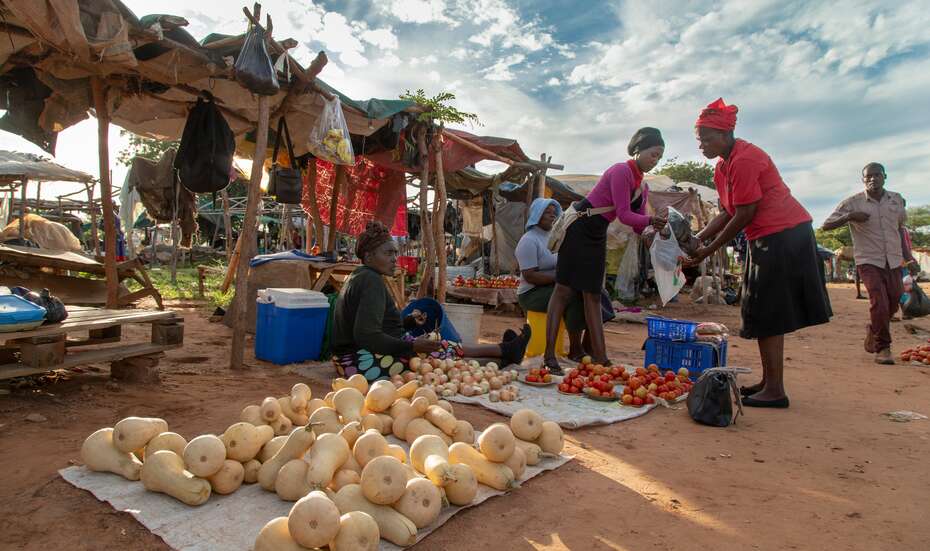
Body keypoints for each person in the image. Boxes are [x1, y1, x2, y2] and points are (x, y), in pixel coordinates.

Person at [684, 98, 832, 408]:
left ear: (725, 136)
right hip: (766, 236)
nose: (702, 146)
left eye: (707, 139)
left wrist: (709, 249)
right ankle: (769, 381)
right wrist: (698, 237)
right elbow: (727, 211)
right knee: (763, 307)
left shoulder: (745, 159)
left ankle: (775, 390)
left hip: (783, 234)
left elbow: (745, 213)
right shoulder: (724, 167)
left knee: (770, 310)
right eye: (700, 141)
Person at [332, 221, 530, 381]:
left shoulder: (362, 276)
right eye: (388, 253)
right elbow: (366, 336)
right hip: (357, 364)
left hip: (352, 358)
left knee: (443, 346)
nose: (395, 258)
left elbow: (373, 324)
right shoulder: (370, 280)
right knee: (440, 355)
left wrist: (408, 322)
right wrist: (411, 347)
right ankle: (504, 355)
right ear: (368, 256)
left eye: (395, 252)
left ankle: (503, 351)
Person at [544, 127, 667, 372]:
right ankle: (549, 356)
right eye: (653, 154)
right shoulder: (621, 171)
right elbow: (623, 214)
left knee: (593, 293)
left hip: (598, 231)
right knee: (563, 290)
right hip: (580, 227)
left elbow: (637, 223)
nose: (655, 161)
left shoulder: (642, 187)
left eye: (659, 157)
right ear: (638, 150)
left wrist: (659, 237)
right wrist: (650, 222)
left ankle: (601, 358)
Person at [821, 163, 916, 363]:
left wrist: (909, 257)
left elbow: (899, 230)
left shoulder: (896, 200)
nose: (873, 179)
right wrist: (849, 217)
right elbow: (825, 226)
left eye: (877, 175)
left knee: (894, 299)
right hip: (868, 260)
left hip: (894, 259)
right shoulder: (852, 203)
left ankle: (874, 328)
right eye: (868, 177)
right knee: (878, 301)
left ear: (885, 176)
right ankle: (883, 348)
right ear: (863, 180)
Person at [515, 198, 589, 360]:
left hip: (553, 287)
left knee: (589, 294)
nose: (552, 216)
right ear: (536, 215)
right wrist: (561, 278)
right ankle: (576, 348)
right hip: (531, 293)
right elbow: (530, 276)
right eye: (547, 213)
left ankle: (587, 345)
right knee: (571, 295)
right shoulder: (529, 240)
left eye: (554, 213)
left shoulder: (556, 237)